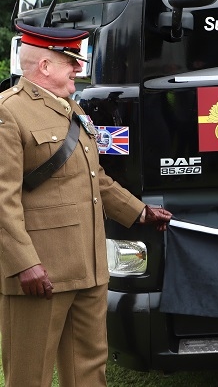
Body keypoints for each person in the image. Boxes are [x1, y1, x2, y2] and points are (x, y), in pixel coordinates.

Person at [0, 23, 172, 387]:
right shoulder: (9, 113)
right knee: (29, 375)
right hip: (39, 272)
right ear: (44, 66)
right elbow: (3, 199)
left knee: (89, 372)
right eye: (71, 61)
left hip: (88, 267)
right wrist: (24, 264)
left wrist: (138, 211)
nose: (79, 68)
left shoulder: (71, 109)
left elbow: (94, 178)